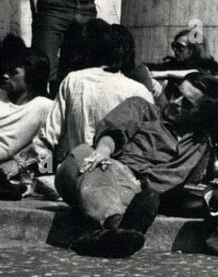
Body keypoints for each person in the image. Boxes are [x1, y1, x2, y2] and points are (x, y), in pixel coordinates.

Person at [54, 72, 218, 257]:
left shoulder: (199, 145)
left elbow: (188, 184)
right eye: (177, 93)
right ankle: (118, 227)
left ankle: (107, 237)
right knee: (83, 154)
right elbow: (115, 131)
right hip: (107, 172)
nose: (175, 102)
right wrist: (104, 150)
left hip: (142, 193)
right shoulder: (142, 108)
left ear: (201, 114)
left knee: (149, 197)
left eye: (186, 104)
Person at [38, 18, 155, 173]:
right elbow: (151, 147)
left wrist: (45, 173)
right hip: (119, 182)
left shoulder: (73, 80)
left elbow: (47, 139)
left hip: (76, 175)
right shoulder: (139, 91)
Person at [0, 45, 51, 186]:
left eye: (13, 72)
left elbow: (48, 145)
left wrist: (20, 163)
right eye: (6, 71)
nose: (5, 76)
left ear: (31, 75)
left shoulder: (43, 107)